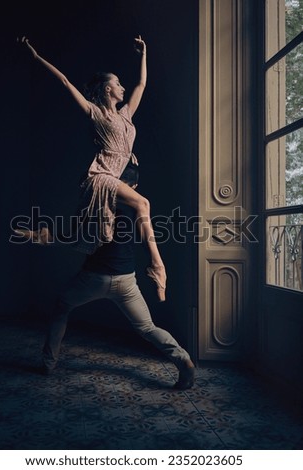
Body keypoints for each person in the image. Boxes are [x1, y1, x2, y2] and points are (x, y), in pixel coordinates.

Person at [18, 35, 167, 301]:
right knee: (143, 205)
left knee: (96, 231)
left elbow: (142, 84)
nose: (122, 87)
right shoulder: (95, 113)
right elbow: (64, 81)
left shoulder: (125, 114)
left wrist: (144, 53)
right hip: (100, 177)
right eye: (117, 84)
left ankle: (46, 235)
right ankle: (157, 267)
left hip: (118, 175)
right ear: (107, 89)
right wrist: (36, 56)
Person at [41, 163, 195, 390]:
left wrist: (45, 235)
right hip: (126, 282)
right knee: (148, 328)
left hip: (93, 279)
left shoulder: (95, 205)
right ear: (133, 186)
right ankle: (183, 360)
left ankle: (48, 363)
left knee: (62, 307)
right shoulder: (137, 210)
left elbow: (73, 237)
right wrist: (157, 265)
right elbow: (146, 239)